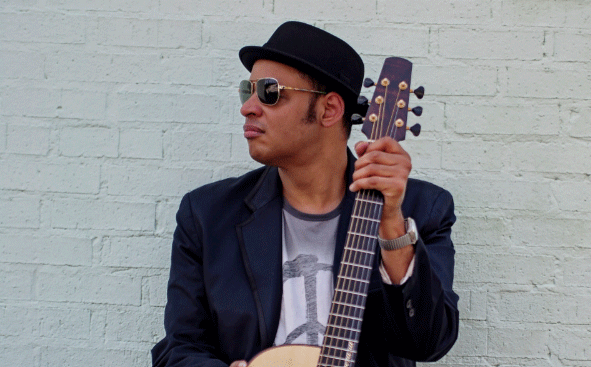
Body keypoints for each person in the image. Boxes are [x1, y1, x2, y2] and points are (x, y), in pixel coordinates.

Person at [152, 21, 459, 367]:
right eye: (246, 91)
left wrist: (391, 225)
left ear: (329, 110)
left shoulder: (420, 210)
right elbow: (178, 349)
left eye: (269, 92)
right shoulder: (207, 216)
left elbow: (428, 343)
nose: (248, 107)